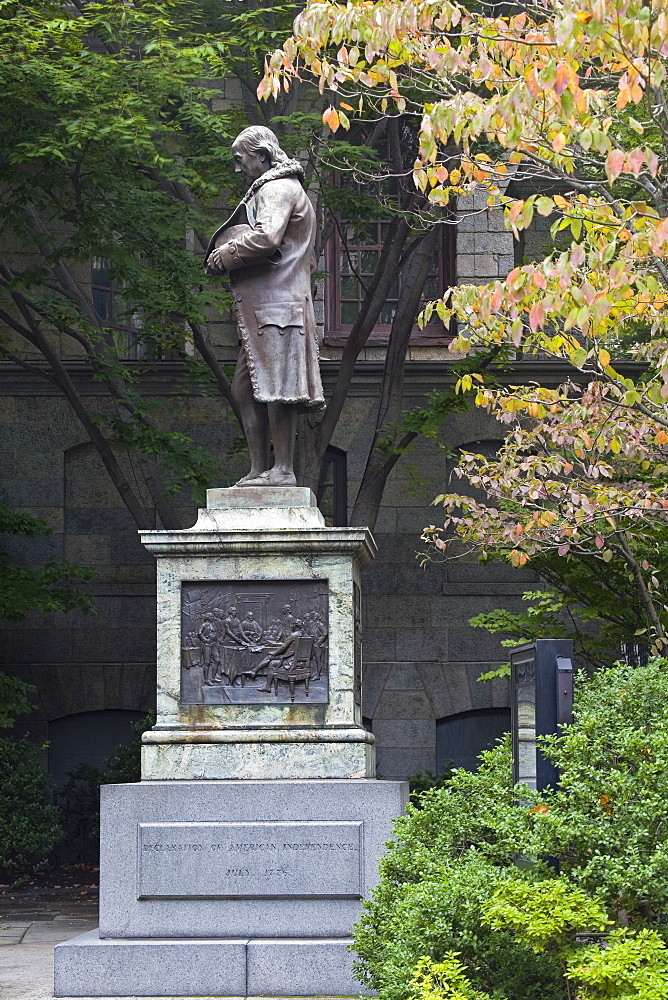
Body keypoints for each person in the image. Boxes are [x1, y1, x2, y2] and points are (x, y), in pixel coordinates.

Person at [204, 126, 324, 487]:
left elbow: (267, 237)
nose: (237, 169)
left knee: (277, 390)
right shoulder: (276, 189)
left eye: (240, 160)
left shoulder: (277, 189)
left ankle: (283, 471)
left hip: (278, 308)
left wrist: (225, 255)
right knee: (246, 389)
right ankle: (259, 470)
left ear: (263, 156)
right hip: (271, 309)